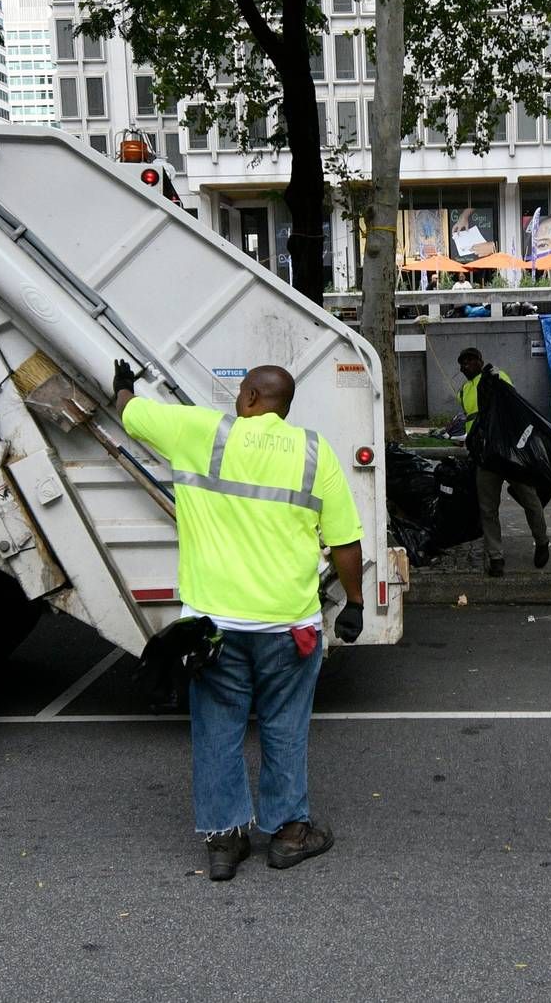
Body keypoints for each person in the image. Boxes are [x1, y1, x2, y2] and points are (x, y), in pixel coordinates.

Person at [115, 361, 365, 881]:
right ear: (284, 406)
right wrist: (356, 603)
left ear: (249, 396)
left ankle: (225, 842)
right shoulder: (314, 452)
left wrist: (122, 387)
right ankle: (289, 834)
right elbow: (345, 541)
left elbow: (131, 414)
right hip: (289, 627)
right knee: (285, 726)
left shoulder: (200, 432)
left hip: (214, 628)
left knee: (218, 729)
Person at [457, 347, 550, 576]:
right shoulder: (464, 390)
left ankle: (542, 541)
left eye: (470, 360)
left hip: (509, 453)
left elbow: (510, 402)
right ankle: (495, 556)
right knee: (488, 509)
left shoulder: (496, 376)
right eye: (463, 363)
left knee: (530, 499)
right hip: (484, 456)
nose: (466, 365)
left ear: (480, 361)